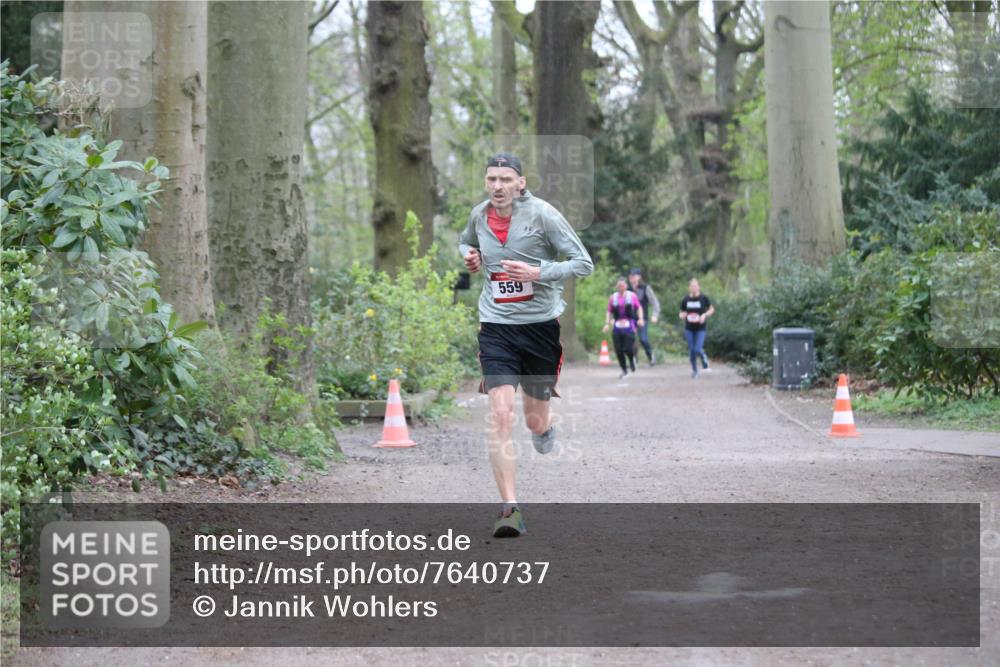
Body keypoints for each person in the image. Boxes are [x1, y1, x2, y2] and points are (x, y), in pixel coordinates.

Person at [459, 152, 594, 538]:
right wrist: (469, 257)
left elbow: (582, 263)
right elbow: (465, 243)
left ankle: (543, 429)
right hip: (496, 326)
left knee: (535, 418)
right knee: (501, 414)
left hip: (538, 329)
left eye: (505, 179)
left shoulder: (544, 215)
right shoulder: (478, 215)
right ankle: (509, 509)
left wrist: (539, 271)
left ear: (521, 182)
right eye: (491, 179)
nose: (497, 186)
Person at [603, 277, 644, 378]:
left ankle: (632, 360)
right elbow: (609, 311)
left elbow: (639, 308)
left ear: (626, 286)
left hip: (629, 326)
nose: (620, 287)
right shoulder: (613, 297)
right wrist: (607, 323)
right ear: (616, 287)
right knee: (618, 350)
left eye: (622, 285)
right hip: (617, 327)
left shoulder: (632, 296)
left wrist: (641, 319)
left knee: (627, 348)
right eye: (619, 286)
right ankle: (624, 369)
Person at [678, 278, 714, 378]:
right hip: (689, 328)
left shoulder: (703, 298)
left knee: (697, 348)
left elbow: (711, 309)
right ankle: (695, 371)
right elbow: (681, 312)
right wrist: (682, 315)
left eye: (695, 286)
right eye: (692, 286)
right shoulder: (685, 299)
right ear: (689, 288)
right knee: (692, 350)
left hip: (700, 328)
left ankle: (703, 356)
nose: (694, 288)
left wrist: (704, 315)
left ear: (699, 287)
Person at [627, 268, 661, 366]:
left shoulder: (645, 288)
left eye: (634, 276)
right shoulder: (627, 290)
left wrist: (655, 315)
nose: (632, 278)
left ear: (639, 277)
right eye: (630, 276)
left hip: (642, 318)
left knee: (643, 339)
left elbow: (655, 303)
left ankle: (651, 356)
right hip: (630, 319)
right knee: (630, 339)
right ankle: (633, 359)